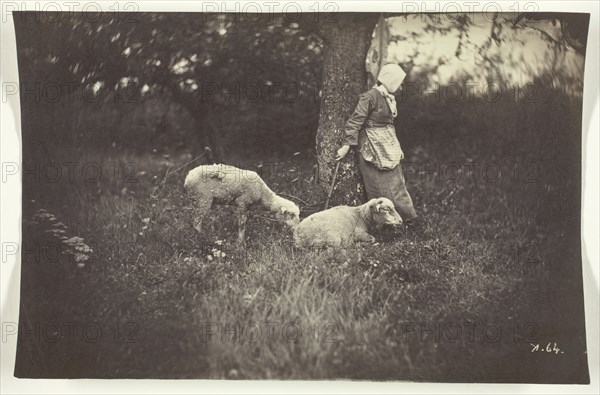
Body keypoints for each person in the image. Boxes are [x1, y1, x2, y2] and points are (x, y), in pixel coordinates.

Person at [336, 63, 419, 231]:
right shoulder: (369, 97)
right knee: (378, 187)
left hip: (387, 144)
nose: (401, 86)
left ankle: (408, 221)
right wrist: (346, 145)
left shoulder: (388, 98)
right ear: (390, 80)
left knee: (397, 185)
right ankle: (385, 224)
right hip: (371, 147)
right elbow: (355, 121)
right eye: (399, 82)